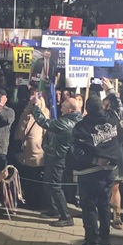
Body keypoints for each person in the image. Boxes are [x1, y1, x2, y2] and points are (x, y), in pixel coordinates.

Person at [68, 78, 123, 245]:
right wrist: (111, 91)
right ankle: (106, 240)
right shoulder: (112, 117)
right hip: (109, 171)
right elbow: (119, 106)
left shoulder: (81, 126)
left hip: (90, 172)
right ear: (102, 107)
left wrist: (94, 161)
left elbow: (77, 151)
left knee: (90, 208)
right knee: (104, 206)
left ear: (86, 109)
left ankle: (92, 243)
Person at [32, 97, 82, 226]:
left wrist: (36, 107)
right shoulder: (77, 119)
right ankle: (54, 209)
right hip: (57, 156)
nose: (60, 106)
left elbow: (44, 122)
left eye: (64, 104)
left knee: (55, 186)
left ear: (70, 109)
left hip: (58, 158)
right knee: (49, 183)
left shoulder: (65, 123)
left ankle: (66, 216)